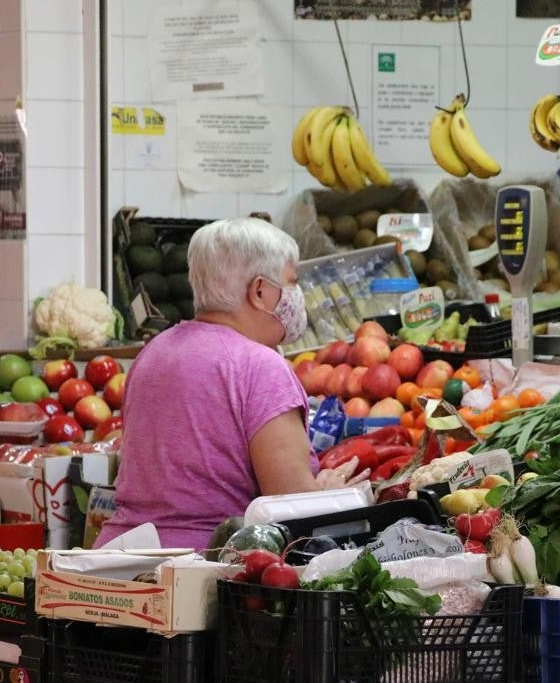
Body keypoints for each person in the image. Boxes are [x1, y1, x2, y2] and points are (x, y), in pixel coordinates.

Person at [95, 218, 369, 550]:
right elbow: (291, 507)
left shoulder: (154, 352)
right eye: (291, 282)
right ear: (258, 291)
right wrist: (326, 494)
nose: (297, 296)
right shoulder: (261, 365)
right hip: (205, 570)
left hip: (120, 555)